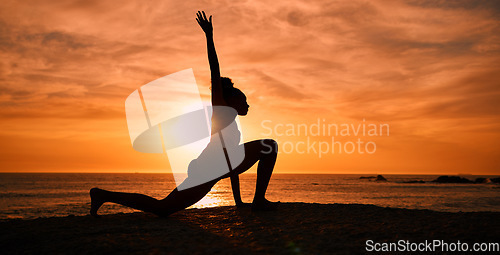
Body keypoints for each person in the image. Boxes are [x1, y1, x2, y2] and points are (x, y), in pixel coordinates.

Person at [90, 11, 279, 217]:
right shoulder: (221, 110)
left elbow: (232, 165)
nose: (248, 105)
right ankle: (259, 201)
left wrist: (239, 201)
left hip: (211, 169)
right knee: (269, 146)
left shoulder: (232, 126)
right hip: (206, 170)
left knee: (163, 208)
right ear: (230, 100)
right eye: (243, 101)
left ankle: (102, 194)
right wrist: (209, 37)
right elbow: (214, 71)